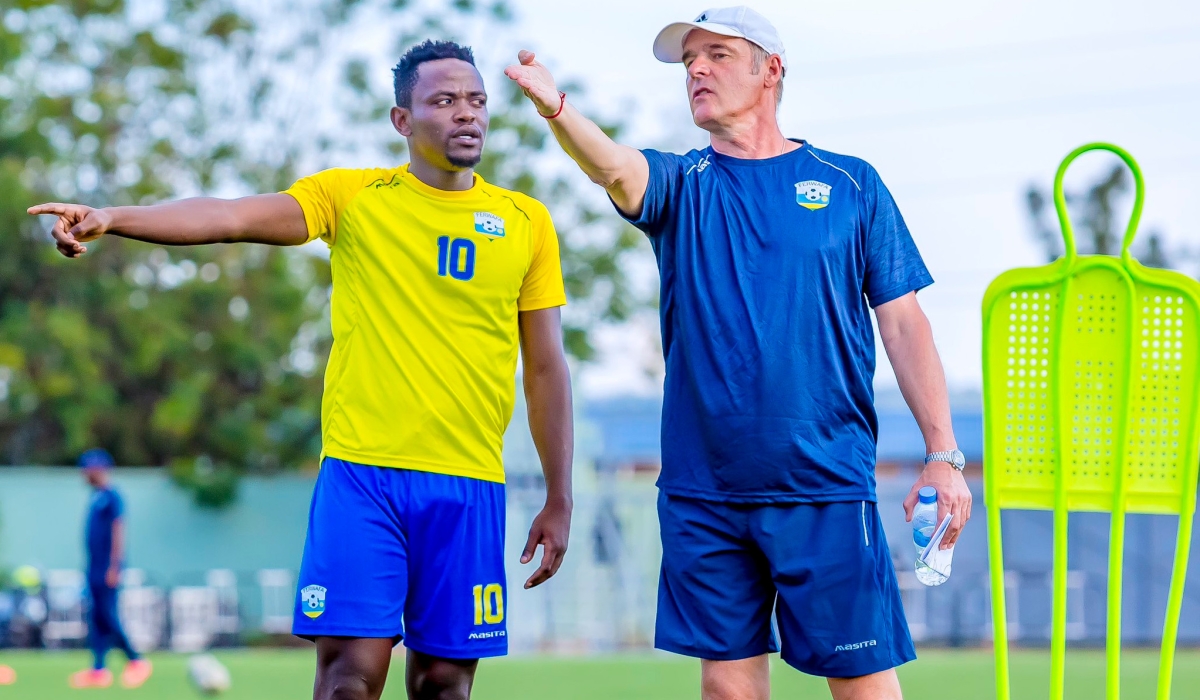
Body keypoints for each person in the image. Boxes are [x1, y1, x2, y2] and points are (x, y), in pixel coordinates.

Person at [29, 39, 574, 700]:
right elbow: (229, 217)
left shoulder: (526, 222)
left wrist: (558, 495)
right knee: (349, 680)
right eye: (444, 101)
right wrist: (114, 218)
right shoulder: (353, 198)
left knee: (443, 687)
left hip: (468, 489)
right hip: (362, 479)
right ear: (403, 120)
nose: (468, 114)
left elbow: (545, 369)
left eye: (477, 101)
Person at [505, 6, 972, 700]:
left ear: (771, 71)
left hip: (824, 485)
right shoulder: (681, 185)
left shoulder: (851, 185)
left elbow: (904, 326)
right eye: (689, 60)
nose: (696, 69)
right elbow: (613, 168)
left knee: (862, 687)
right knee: (727, 689)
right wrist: (556, 109)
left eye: (717, 54)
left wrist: (942, 454)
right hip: (704, 492)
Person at [70, 448, 153, 689]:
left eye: (87, 469)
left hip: (107, 567)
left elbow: (119, 530)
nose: (84, 474)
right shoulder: (96, 497)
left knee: (108, 615)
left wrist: (114, 566)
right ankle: (98, 670)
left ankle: (136, 660)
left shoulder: (112, 496)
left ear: (99, 470)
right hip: (94, 566)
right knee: (96, 616)